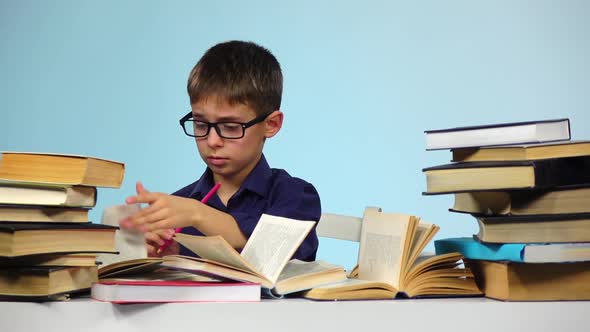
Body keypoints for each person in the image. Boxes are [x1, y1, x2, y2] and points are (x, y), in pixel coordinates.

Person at [119, 40, 321, 261]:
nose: (212, 140)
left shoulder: (296, 197)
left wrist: (197, 214)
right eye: (201, 124)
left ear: (271, 124)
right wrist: (161, 259)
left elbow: (269, 247)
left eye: (231, 127)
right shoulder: (180, 206)